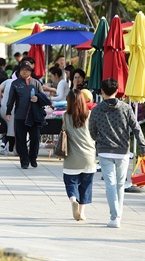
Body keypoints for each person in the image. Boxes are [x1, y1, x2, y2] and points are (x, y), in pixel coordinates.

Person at [89, 78, 145, 228]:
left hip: (104, 151)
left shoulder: (96, 109)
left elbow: (91, 131)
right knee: (120, 184)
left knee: (110, 184)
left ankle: (114, 215)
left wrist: (98, 140)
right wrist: (143, 148)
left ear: (101, 91)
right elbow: (136, 128)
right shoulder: (126, 108)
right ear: (117, 91)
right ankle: (117, 215)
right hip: (122, 152)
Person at [62, 89, 96, 221]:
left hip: (72, 157)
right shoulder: (90, 115)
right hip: (89, 156)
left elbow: (64, 132)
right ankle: (81, 213)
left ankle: (73, 200)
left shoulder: (66, 116)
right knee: (86, 185)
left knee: (70, 183)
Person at [5, 61, 46, 169]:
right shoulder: (15, 83)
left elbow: (43, 97)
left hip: (34, 116)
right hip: (20, 115)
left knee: (35, 138)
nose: (24, 71)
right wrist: (8, 112)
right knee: (20, 139)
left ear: (31, 71)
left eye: (27, 70)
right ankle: (24, 160)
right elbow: (11, 99)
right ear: (19, 71)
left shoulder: (36, 83)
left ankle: (33, 158)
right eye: (22, 69)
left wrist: (38, 99)